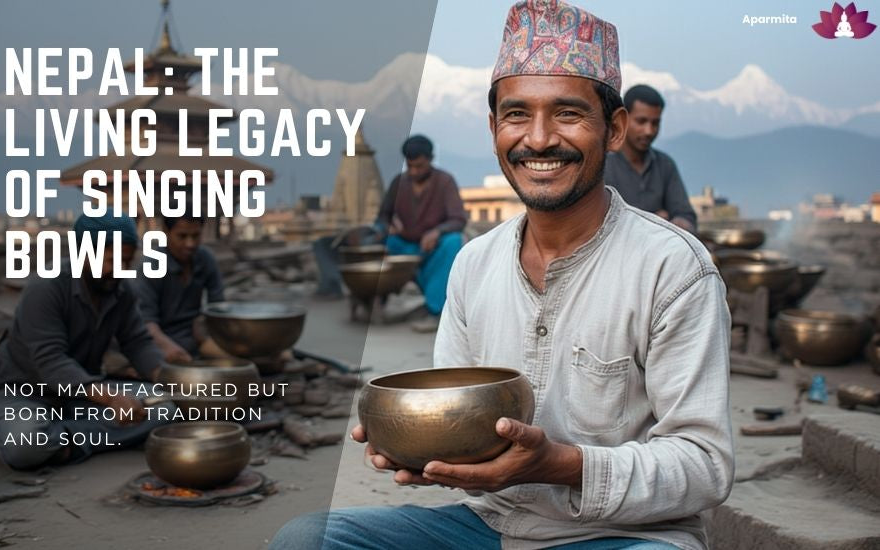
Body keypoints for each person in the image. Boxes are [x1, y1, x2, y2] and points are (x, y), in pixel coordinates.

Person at [271, 2, 733, 549]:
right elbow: (460, 418)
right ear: (494, 129)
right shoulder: (474, 264)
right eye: (517, 115)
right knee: (307, 539)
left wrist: (561, 465)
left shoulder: (673, 267)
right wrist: (424, 447)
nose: (537, 139)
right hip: (491, 527)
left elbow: (705, 466)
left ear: (613, 129)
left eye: (567, 114)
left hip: (623, 536)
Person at [0, 211, 176, 470]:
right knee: (25, 443)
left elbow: (137, 342)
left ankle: (66, 442)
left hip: (84, 395)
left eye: (127, 261)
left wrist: (167, 376)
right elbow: (52, 362)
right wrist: (112, 400)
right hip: (27, 395)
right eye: (112, 261)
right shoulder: (46, 288)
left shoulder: (121, 289)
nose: (120, 270)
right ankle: (68, 438)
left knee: (166, 406)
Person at [375, 135, 467, 332]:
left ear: (431, 159)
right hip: (404, 245)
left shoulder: (445, 181)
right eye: (411, 167)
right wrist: (388, 225)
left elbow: (458, 219)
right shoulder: (398, 183)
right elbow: (382, 217)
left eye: (420, 166)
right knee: (380, 244)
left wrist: (437, 231)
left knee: (453, 242)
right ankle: (377, 303)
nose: (415, 171)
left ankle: (435, 311)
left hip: (432, 247)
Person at [604, 84, 697, 232]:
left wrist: (680, 223)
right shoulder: (603, 166)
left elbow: (686, 216)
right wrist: (654, 221)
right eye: (641, 121)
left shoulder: (665, 165)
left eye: (655, 123)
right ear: (623, 120)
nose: (649, 131)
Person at [134, 213, 225, 362]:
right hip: (160, 342)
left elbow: (218, 308)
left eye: (196, 236)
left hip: (196, 338)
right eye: (182, 236)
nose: (190, 244)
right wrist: (174, 351)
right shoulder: (151, 265)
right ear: (166, 232)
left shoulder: (206, 259)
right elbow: (147, 324)